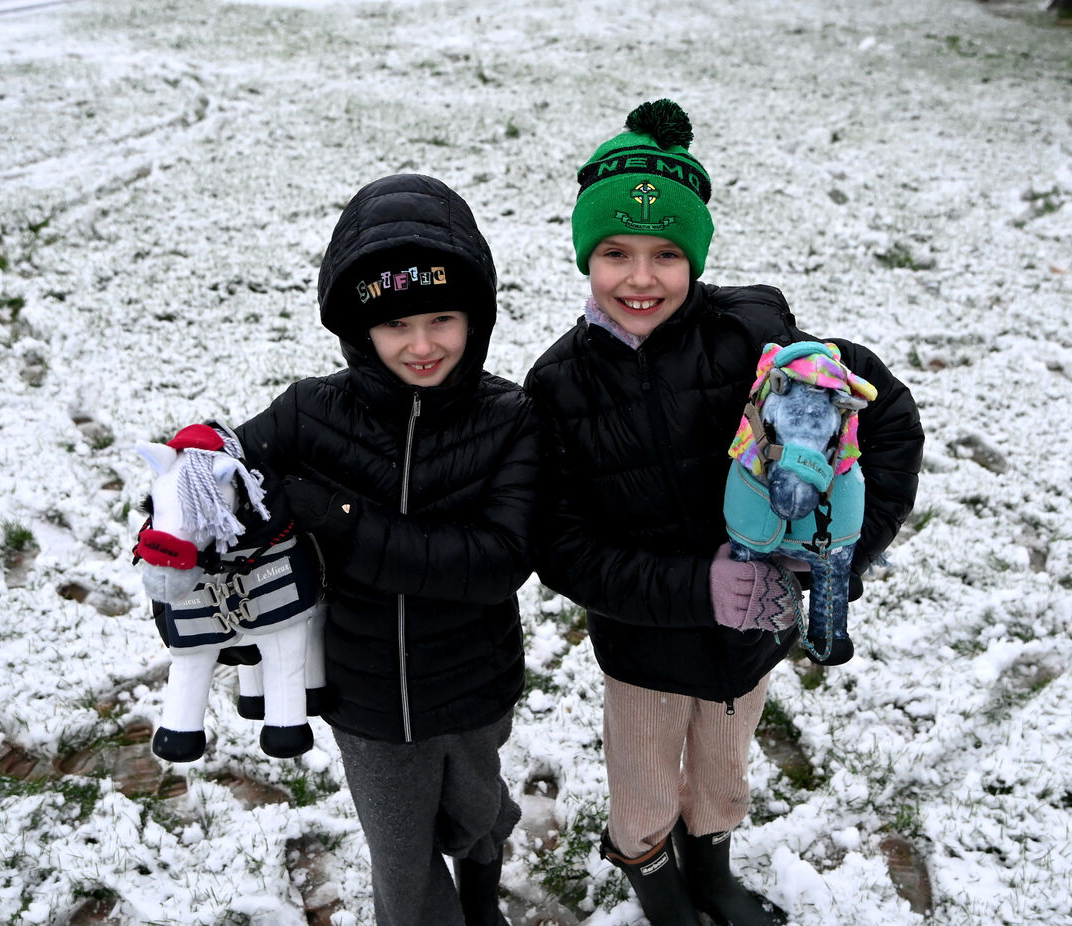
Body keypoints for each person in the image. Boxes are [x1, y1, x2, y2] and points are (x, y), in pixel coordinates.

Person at [524, 100, 923, 925]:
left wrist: (842, 546)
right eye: (615, 253)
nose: (641, 278)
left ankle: (713, 874)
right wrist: (694, 588)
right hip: (644, 647)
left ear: (696, 255)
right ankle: (655, 879)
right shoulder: (559, 384)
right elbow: (560, 545)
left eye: (667, 253)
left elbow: (882, 416)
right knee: (641, 789)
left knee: (724, 776)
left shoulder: (758, 336)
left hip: (756, 634)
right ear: (584, 255)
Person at [235, 173, 539, 926]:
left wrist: (338, 516)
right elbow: (225, 469)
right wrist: (186, 500)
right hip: (366, 696)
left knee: (473, 813)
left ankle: (481, 870)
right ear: (357, 328)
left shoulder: (509, 419)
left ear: (477, 316)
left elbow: (495, 560)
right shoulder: (312, 412)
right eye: (396, 325)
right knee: (402, 864)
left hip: (473, 683)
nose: (423, 344)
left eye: (443, 317)